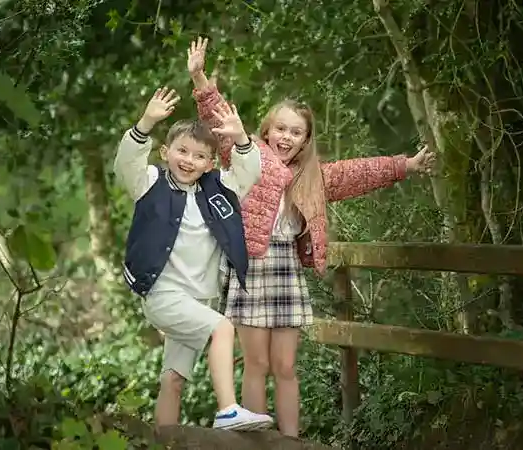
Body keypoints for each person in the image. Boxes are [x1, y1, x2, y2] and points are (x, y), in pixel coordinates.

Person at [187, 37, 436, 437]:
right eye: (281, 128)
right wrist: (199, 77)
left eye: (296, 132)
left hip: (285, 269)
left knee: (285, 366)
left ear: (305, 140)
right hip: (251, 267)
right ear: (267, 130)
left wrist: (405, 164)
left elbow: (359, 172)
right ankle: (256, 443)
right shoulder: (246, 156)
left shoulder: (314, 176)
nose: (286, 137)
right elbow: (218, 119)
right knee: (257, 364)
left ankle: (290, 441)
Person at [114, 85, 274, 431]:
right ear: (165, 151)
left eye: (199, 156)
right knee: (222, 328)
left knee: (173, 379)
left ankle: (163, 440)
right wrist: (144, 123)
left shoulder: (219, 189)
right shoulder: (150, 181)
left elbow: (251, 172)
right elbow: (125, 162)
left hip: (199, 298)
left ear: (210, 163)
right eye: (182, 151)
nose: (189, 160)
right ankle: (229, 409)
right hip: (162, 294)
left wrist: (242, 138)